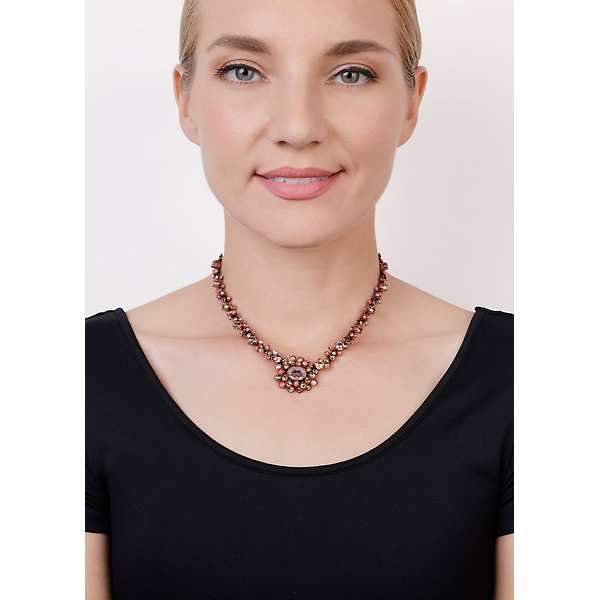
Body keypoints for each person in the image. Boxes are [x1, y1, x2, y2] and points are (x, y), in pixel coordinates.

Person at [85, 0, 514, 598]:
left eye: (350, 74)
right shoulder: (74, 380)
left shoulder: (526, 380)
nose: (297, 125)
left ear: (411, 102)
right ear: (185, 100)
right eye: (243, 70)